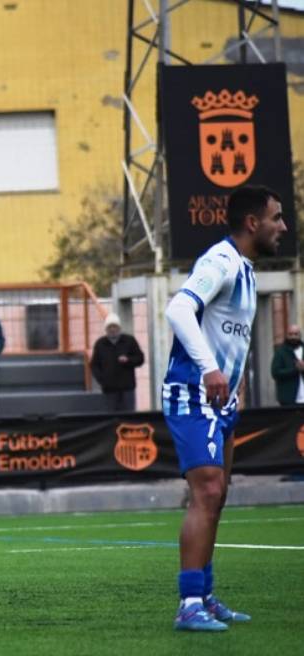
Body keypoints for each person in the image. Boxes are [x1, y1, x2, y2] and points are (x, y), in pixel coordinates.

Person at [162, 185, 285, 631]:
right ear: (253, 222)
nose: (283, 226)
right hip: (193, 392)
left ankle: (205, 595)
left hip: (221, 399)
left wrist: (234, 386)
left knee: (219, 495)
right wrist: (213, 371)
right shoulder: (220, 261)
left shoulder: (246, 270)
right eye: (276, 217)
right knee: (208, 493)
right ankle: (189, 604)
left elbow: (229, 334)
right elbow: (178, 309)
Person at [90, 313, 145, 412]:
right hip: (109, 390)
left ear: (119, 328)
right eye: (109, 327)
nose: (112, 329)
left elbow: (140, 358)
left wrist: (128, 360)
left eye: (114, 326)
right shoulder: (100, 344)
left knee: (129, 417)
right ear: (106, 329)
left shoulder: (129, 341)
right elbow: (94, 365)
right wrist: (102, 380)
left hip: (127, 388)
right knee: (110, 417)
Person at [269, 324, 304, 407]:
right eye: (290, 334)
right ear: (286, 335)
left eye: (296, 334)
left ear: (300, 335)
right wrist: (295, 370)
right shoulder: (281, 352)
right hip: (288, 400)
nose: (293, 337)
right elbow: (275, 372)